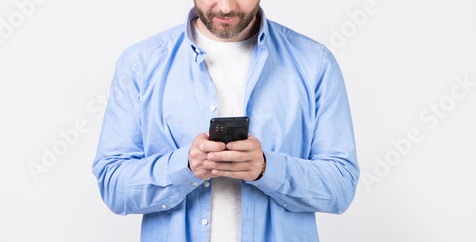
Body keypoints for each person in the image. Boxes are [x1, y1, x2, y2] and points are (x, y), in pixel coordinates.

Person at [92, 0, 359, 241]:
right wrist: (183, 167)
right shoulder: (139, 64)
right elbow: (113, 185)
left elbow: (341, 186)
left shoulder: (315, 63)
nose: (226, 7)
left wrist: (267, 168)